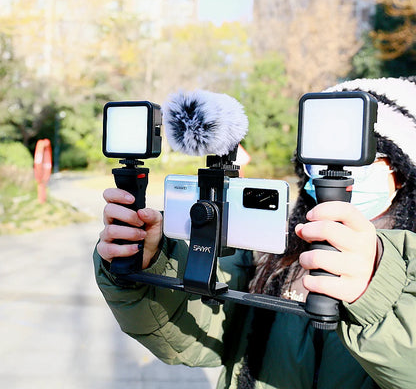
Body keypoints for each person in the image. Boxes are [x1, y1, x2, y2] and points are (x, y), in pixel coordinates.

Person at [94, 77, 416, 389]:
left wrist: (379, 291)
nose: (332, 171)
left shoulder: (407, 267)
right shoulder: (271, 247)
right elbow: (200, 339)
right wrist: (151, 263)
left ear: (401, 172)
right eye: (318, 160)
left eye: (361, 157)